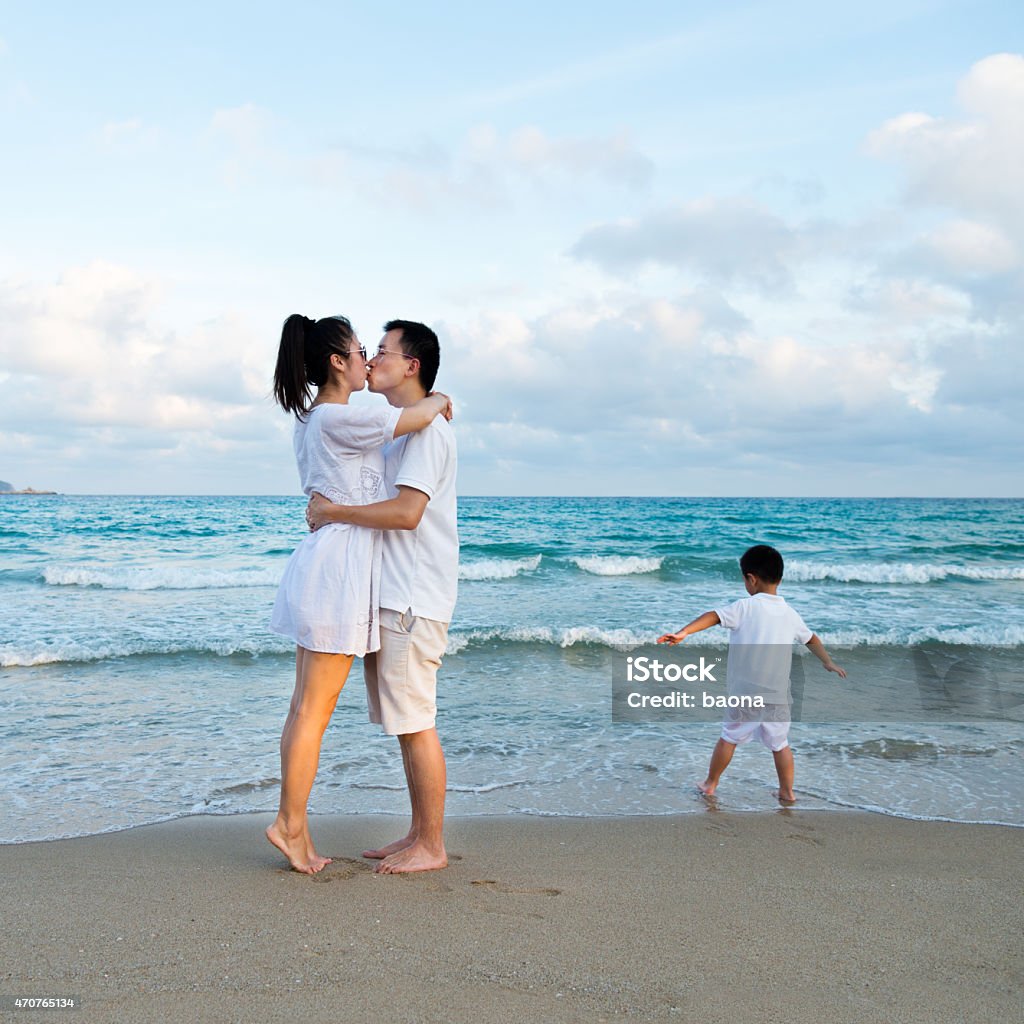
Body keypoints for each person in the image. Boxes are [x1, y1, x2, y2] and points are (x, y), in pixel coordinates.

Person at [266, 313, 451, 875]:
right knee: (312, 712)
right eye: (360, 350)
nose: (369, 359)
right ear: (337, 363)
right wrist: (438, 398)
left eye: (380, 351)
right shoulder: (343, 418)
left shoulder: (323, 419)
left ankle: (415, 838)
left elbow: (406, 501)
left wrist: (432, 401)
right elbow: (415, 414)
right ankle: (291, 826)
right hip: (340, 572)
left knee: (308, 709)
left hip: (341, 570)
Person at [657, 544, 846, 805]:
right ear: (779, 578)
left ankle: (710, 783)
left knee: (729, 737)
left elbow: (713, 616)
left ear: (751, 579)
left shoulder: (745, 607)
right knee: (780, 744)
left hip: (746, 693)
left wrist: (684, 632)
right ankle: (787, 792)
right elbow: (811, 638)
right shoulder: (790, 614)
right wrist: (828, 662)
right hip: (777, 696)